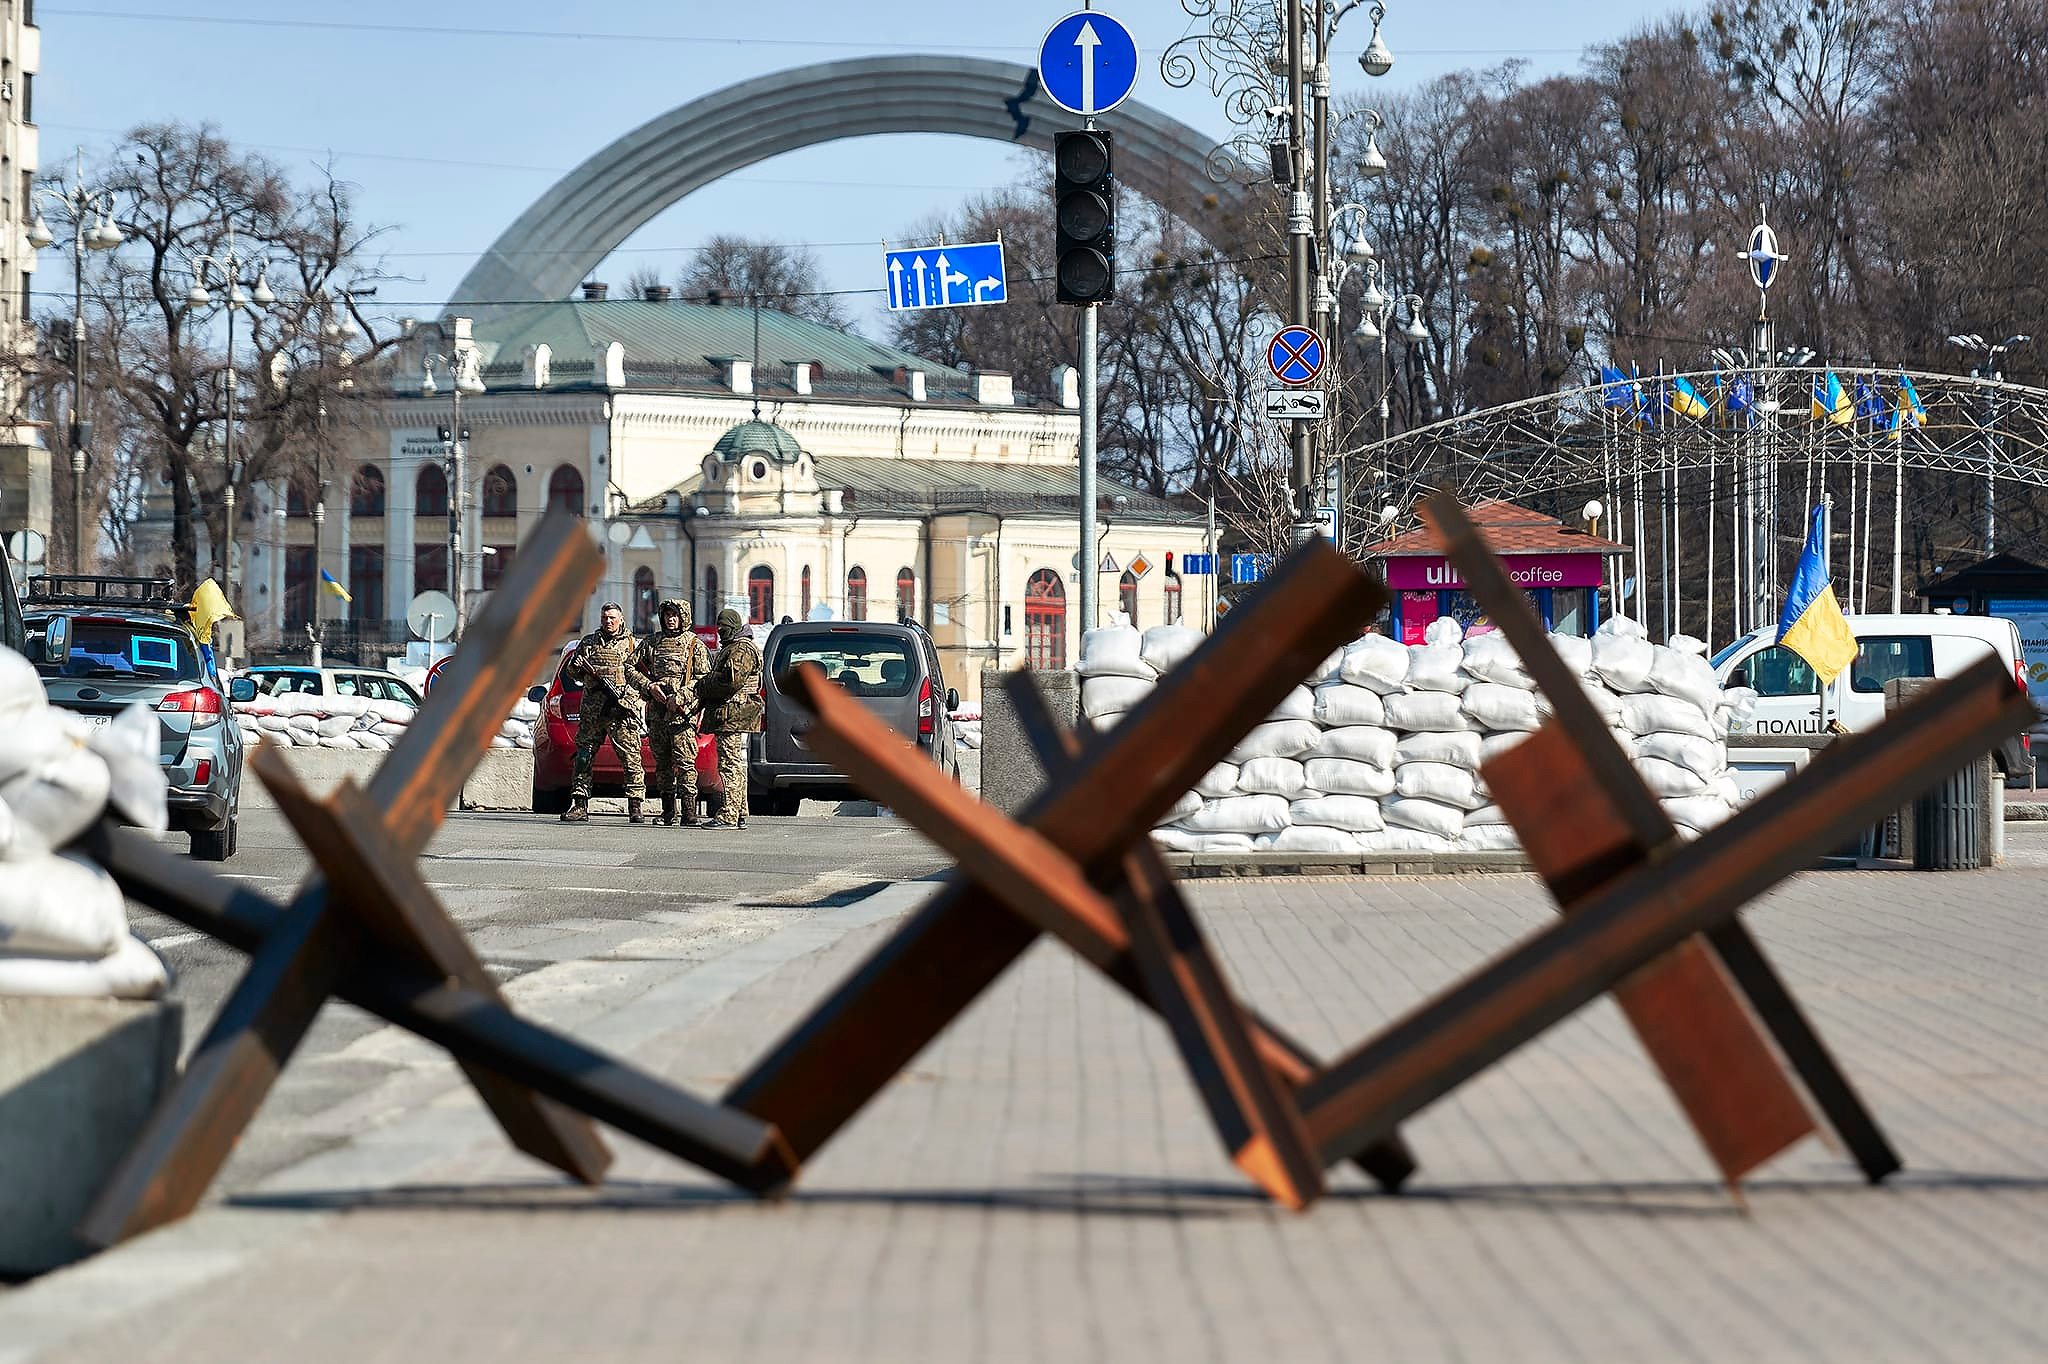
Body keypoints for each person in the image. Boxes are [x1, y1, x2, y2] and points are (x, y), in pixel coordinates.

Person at [561, 600, 652, 824]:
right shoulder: (589, 643)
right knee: (584, 757)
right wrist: (577, 666)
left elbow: (643, 679)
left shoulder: (633, 645)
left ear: (621, 619)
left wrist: (628, 701)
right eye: (604, 618)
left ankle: (635, 806)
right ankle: (580, 804)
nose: (608, 621)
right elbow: (572, 673)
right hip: (593, 711)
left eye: (612, 617)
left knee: (631, 758)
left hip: (621, 711)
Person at [633, 597, 711, 826]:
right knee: (662, 764)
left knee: (686, 763)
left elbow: (702, 680)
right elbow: (629, 667)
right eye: (667, 615)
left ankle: (689, 812)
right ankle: (668, 811)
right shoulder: (652, 643)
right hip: (657, 713)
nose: (671, 619)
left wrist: (681, 696)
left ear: (684, 617)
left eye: (675, 615)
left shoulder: (694, 645)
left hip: (681, 713)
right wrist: (649, 686)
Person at [692, 607, 763, 828]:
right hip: (730, 714)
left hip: (733, 714)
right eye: (718, 626)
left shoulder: (740, 650)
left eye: (724, 627)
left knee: (729, 765)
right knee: (735, 764)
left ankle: (729, 814)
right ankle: (740, 811)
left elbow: (729, 682)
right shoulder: (733, 648)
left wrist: (703, 684)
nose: (720, 631)